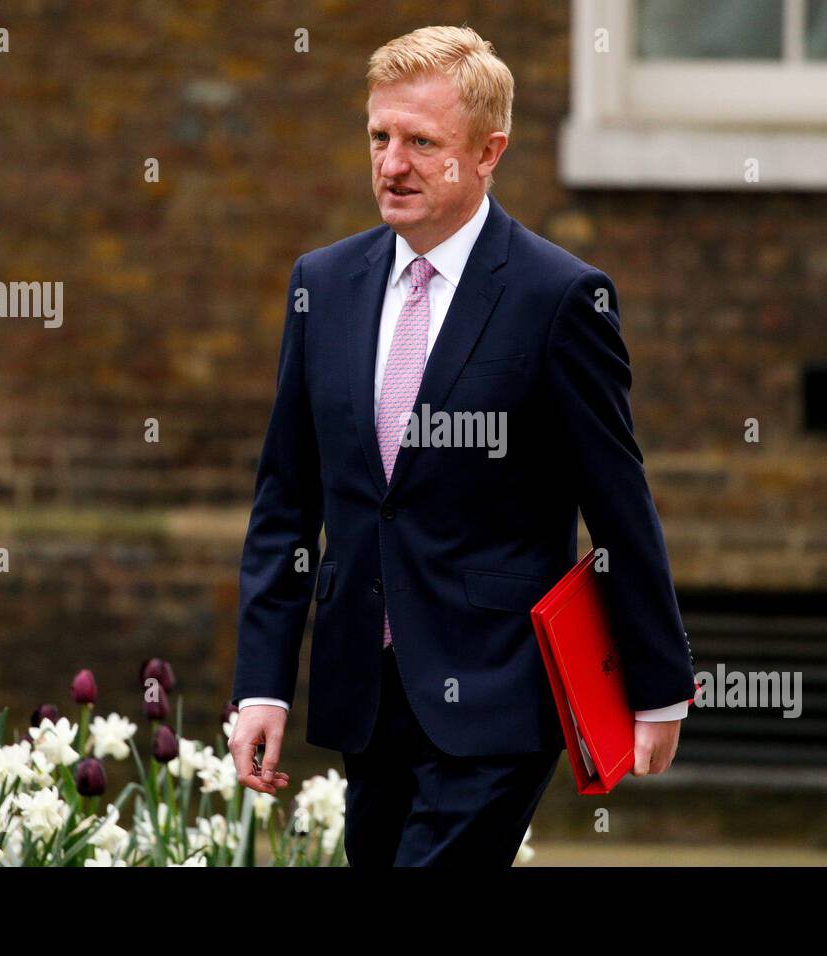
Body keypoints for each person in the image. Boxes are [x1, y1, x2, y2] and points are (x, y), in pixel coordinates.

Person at [227, 24, 696, 867]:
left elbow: (619, 505)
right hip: (364, 695)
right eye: (379, 137)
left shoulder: (560, 299)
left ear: (488, 153)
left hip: (499, 693)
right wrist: (263, 683)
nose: (392, 163)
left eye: (421, 142)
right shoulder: (322, 286)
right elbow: (285, 500)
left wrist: (658, 686)